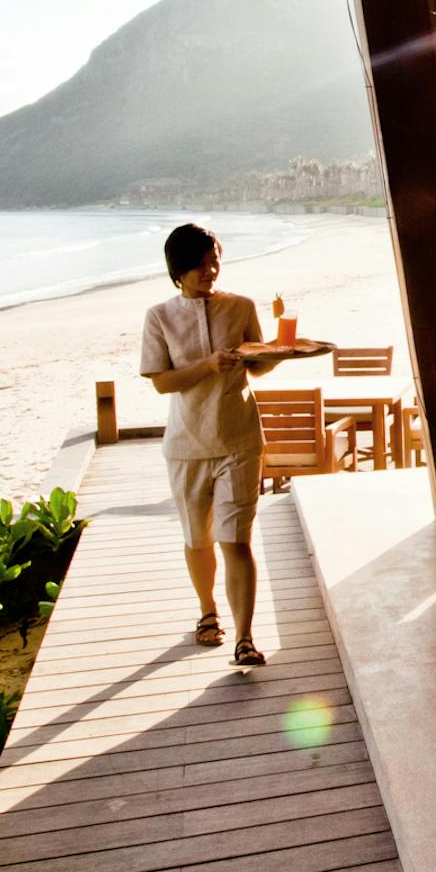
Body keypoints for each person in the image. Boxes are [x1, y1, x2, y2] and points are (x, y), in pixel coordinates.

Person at [139, 223, 274, 666]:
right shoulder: (159, 316)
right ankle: (207, 612)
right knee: (198, 539)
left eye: (214, 259)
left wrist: (277, 350)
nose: (210, 269)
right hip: (187, 443)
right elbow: (162, 383)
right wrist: (210, 365)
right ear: (178, 269)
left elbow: (257, 370)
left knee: (236, 540)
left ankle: (244, 638)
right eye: (199, 264)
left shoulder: (241, 307)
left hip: (239, 437)